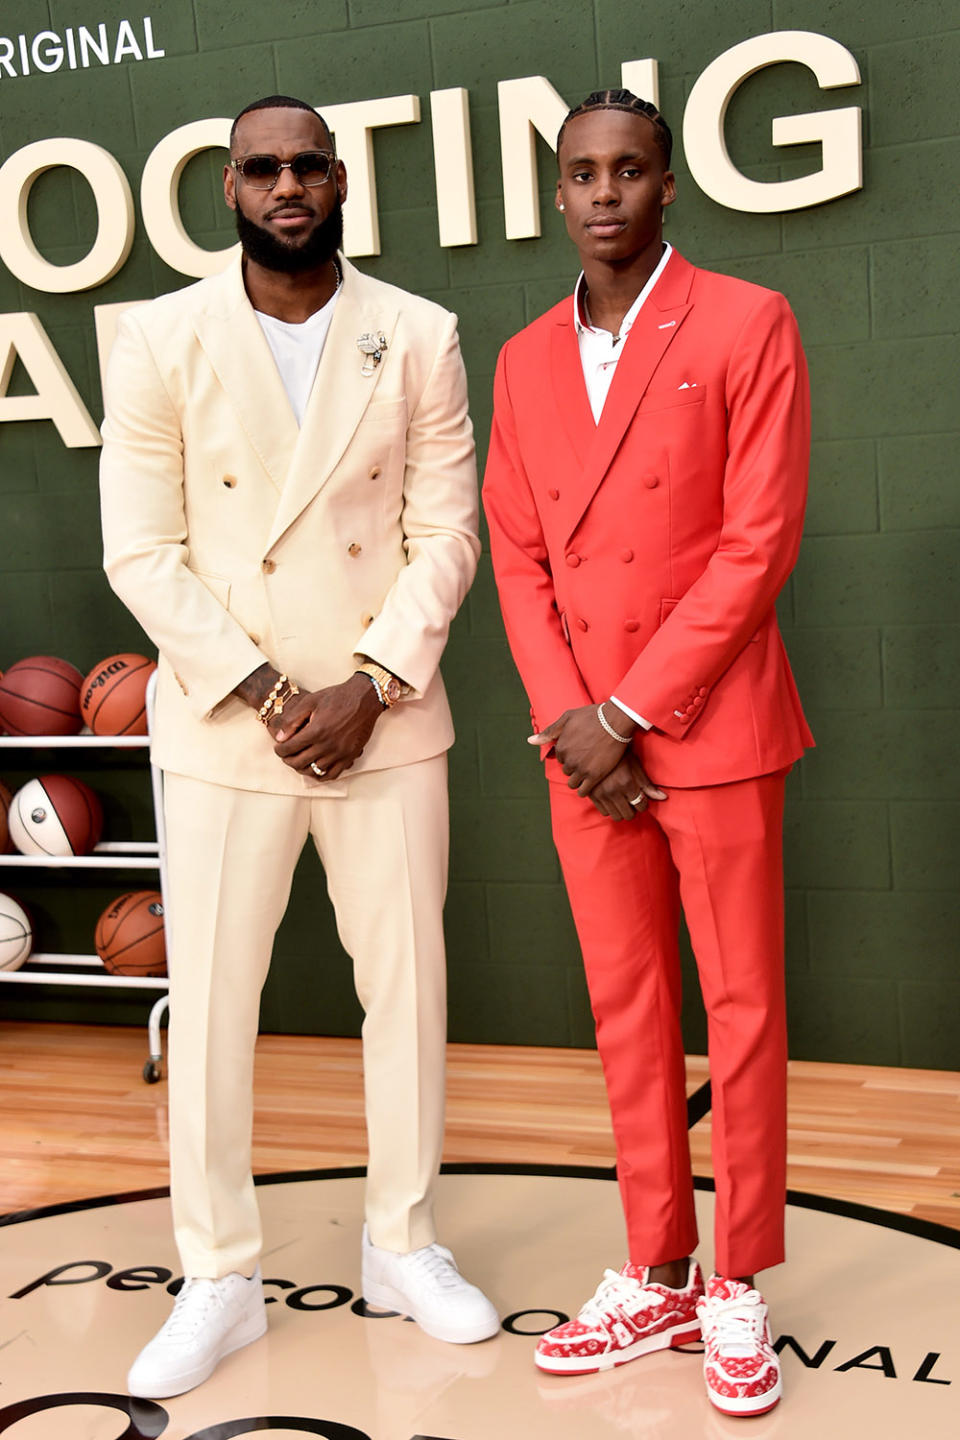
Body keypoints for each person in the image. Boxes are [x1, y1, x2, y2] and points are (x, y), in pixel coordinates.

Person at [100, 93, 498, 1401]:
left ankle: (404, 1241)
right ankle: (218, 1274)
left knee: (411, 992)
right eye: (261, 168)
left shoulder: (418, 333)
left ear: (340, 181)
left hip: (384, 716)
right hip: (231, 721)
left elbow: (448, 533)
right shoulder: (159, 337)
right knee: (212, 1006)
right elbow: (141, 550)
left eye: (307, 167)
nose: (287, 186)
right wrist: (275, 690)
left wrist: (371, 681)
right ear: (228, 187)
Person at [483, 89, 813, 1418]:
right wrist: (575, 719)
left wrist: (626, 713)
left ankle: (737, 1283)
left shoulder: (748, 320)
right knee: (628, 1010)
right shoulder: (519, 361)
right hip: (580, 747)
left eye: (628, 169)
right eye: (581, 173)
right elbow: (517, 555)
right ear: (558, 196)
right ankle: (655, 1265)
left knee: (740, 1014)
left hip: (710, 730)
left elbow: (758, 544)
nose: (604, 192)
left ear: (669, 185)